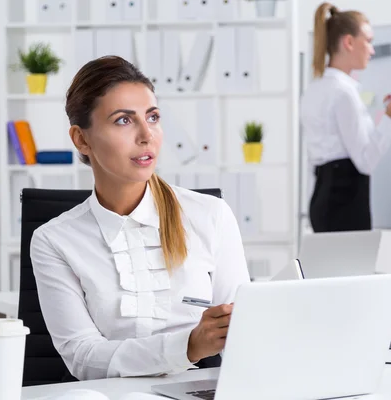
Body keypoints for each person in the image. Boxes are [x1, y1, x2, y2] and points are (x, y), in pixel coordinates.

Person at [30, 56, 250, 381]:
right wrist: (188, 345)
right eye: (123, 120)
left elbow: (243, 338)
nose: (147, 135)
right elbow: (83, 357)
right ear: (81, 139)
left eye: (153, 117)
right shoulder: (54, 240)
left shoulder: (211, 215)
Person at [301, 2, 391, 232]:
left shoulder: (315, 89)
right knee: (353, 268)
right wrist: (390, 118)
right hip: (345, 202)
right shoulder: (344, 93)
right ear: (349, 42)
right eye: (368, 41)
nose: (372, 50)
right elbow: (366, 161)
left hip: (322, 199)